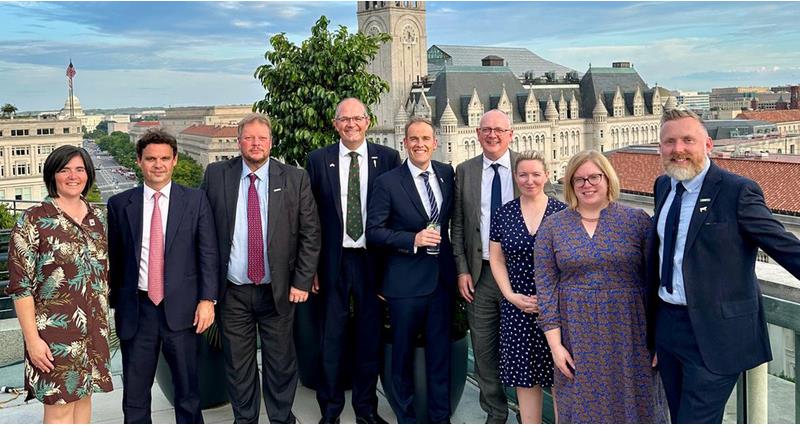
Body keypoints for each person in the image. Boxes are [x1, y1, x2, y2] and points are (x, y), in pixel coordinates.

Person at [649, 109, 800, 423]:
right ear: (660, 148)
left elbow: (783, 245)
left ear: (707, 145)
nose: (678, 149)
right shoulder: (663, 186)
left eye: (687, 140)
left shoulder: (736, 191)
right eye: (669, 141)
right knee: (677, 417)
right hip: (668, 328)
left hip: (715, 334)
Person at [201, 112, 321, 424]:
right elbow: (203, 232)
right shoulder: (216, 175)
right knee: (238, 364)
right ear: (238, 141)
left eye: (262, 138)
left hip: (279, 290)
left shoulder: (294, 179)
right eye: (249, 138)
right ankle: (245, 419)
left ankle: (281, 418)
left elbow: (311, 234)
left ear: (271, 142)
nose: (256, 144)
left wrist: (302, 281)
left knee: (280, 361)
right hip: (232, 292)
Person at [534, 150, 668, 423]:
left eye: (594, 177)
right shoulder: (552, 227)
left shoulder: (636, 221)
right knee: (581, 406)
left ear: (608, 179)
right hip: (576, 335)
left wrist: (659, 340)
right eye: (579, 180)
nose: (587, 185)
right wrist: (556, 347)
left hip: (631, 332)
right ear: (571, 185)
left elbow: (656, 282)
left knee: (636, 404)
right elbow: (545, 289)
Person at [107, 128, 219, 423]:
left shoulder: (195, 201)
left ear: (175, 161)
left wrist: (208, 300)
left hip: (182, 311)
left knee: (187, 392)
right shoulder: (120, 205)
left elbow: (207, 253)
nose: (158, 164)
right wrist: (115, 303)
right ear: (139, 161)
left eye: (164, 158)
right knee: (134, 394)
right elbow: (115, 259)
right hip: (137, 311)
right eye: (151, 158)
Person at [451, 109, 555, 423]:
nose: (492, 135)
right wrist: (462, 269)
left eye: (499, 129)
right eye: (486, 129)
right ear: (478, 134)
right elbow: (459, 226)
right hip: (481, 275)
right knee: (483, 349)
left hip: (525, 276)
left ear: (511, 134)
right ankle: (495, 412)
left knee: (533, 350)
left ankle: (530, 415)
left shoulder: (525, 167)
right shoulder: (465, 170)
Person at [306, 98, 400, 424]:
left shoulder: (388, 159)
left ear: (367, 121)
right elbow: (311, 219)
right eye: (344, 120)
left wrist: (390, 273)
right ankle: (329, 412)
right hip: (332, 262)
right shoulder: (318, 160)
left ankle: (366, 410)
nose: (351, 125)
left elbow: (396, 217)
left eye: (357, 118)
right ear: (335, 125)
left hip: (372, 263)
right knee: (330, 340)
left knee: (368, 339)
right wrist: (312, 269)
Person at [6, 145, 113, 424]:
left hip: (93, 332)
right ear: (52, 175)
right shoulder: (33, 219)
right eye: (64, 170)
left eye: (79, 169)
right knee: (59, 411)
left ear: (88, 174)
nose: (72, 176)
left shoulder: (97, 219)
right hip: (54, 336)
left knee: (83, 404)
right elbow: (21, 287)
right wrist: (32, 341)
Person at [366, 117, 456, 423]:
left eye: (425, 138)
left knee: (440, 357)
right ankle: (406, 418)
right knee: (402, 359)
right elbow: (374, 231)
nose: (419, 144)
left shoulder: (446, 174)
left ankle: (440, 418)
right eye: (413, 139)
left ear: (436, 142)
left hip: (441, 283)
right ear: (404, 143)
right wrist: (412, 239)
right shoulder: (388, 182)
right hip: (404, 285)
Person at [488, 151, 566, 424]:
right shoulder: (504, 213)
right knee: (526, 380)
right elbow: (496, 258)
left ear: (546, 175)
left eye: (535, 174)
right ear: (515, 177)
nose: (529, 180)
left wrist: (552, 300)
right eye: (523, 174)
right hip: (518, 309)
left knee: (562, 378)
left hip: (556, 311)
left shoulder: (563, 212)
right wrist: (510, 296)